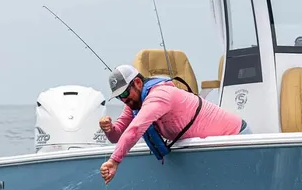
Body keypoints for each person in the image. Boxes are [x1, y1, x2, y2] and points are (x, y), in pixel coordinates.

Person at [99, 64, 250, 183]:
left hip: (236, 139)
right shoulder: (134, 104)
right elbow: (116, 136)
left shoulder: (160, 95)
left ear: (138, 83)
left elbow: (135, 129)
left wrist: (114, 161)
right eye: (119, 97)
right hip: (213, 148)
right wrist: (109, 129)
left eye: (125, 93)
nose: (124, 99)